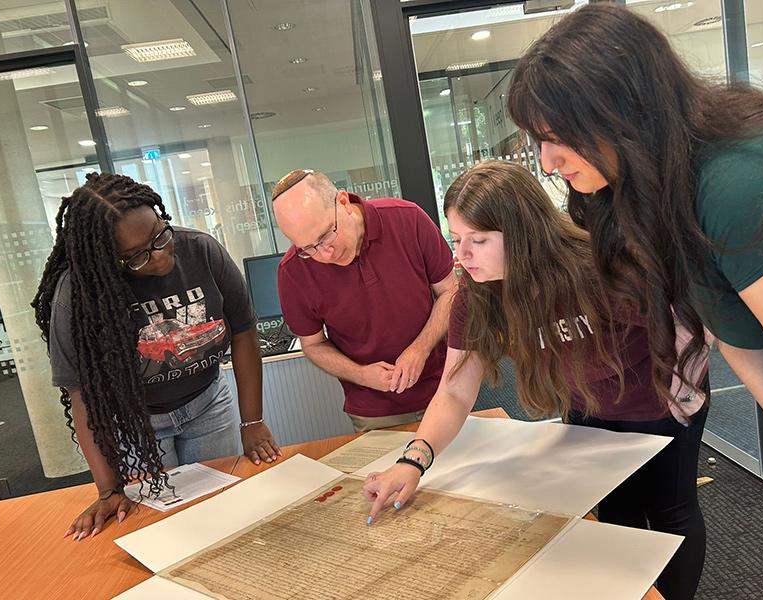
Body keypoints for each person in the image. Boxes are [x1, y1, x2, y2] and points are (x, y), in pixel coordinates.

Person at [505, 4, 763, 598]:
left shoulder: (738, 180)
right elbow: (734, 332)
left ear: (621, 114)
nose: (547, 163)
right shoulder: (664, 184)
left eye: (556, 139)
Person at [362, 161, 711, 600]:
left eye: (478, 240)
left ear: (521, 233)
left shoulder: (595, 268)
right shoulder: (477, 297)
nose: (462, 255)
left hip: (659, 399)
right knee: (616, 510)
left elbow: (690, 323)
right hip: (588, 404)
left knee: (668, 509)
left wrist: (684, 392)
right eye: (456, 239)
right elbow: (453, 390)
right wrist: (413, 460)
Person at [32, 173, 280, 541]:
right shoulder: (78, 295)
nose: (160, 256)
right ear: (108, 260)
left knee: (225, 514)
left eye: (160, 235)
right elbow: (81, 395)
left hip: (208, 405)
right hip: (136, 427)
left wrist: (253, 422)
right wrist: (108, 490)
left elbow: (243, 330)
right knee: (161, 530)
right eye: (137, 257)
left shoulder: (201, 249)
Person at [272, 169, 457, 432]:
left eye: (326, 236)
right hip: (372, 409)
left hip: (443, 389)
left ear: (344, 202)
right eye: (308, 248)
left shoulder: (407, 219)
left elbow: (450, 291)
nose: (325, 254)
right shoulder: (293, 272)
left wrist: (420, 349)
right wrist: (360, 374)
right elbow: (313, 344)